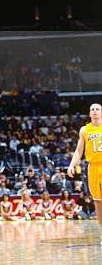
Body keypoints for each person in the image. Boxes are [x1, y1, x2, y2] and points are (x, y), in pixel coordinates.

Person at [68, 102, 102, 244]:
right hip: (93, 167)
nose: (94, 111)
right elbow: (79, 150)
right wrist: (71, 165)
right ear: (89, 113)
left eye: (97, 109)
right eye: (92, 109)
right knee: (98, 202)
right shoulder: (84, 130)